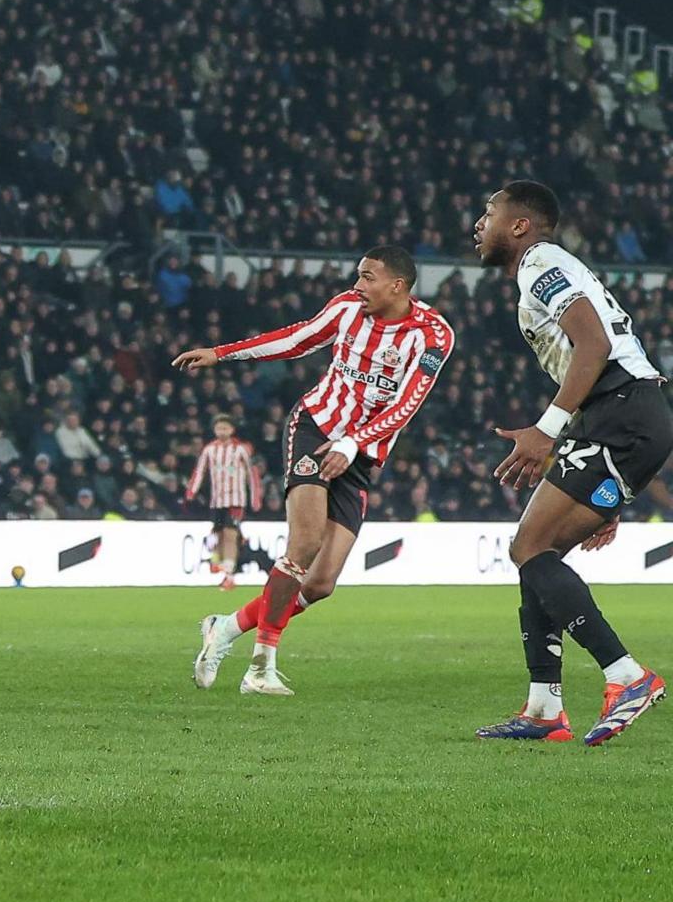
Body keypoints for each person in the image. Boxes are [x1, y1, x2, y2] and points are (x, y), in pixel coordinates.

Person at [175, 247, 454, 695]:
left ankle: (224, 628)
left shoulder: (432, 335)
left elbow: (407, 403)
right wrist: (222, 354)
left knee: (321, 583)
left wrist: (354, 442)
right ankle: (261, 667)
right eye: (358, 276)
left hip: (359, 451)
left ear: (397, 286)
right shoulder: (345, 308)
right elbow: (295, 339)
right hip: (315, 427)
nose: (357, 285)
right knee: (303, 543)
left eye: (367, 278)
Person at [471, 182, 670, 746]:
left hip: (623, 411)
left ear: (519, 225)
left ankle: (626, 676)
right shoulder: (542, 269)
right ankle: (543, 709)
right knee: (537, 551)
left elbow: (594, 345)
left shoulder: (542, 261)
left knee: (529, 549)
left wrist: (546, 431)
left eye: (489, 213)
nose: (479, 223)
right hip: (623, 419)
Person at [185, 416, 264, 590]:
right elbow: (199, 471)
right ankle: (224, 571)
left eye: (225, 428)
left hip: (235, 499)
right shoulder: (209, 450)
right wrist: (191, 492)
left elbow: (252, 474)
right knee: (219, 535)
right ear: (214, 430)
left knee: (230, 534)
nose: (222, 432)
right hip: (217, 500)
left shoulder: (240, 450)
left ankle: (229, 575)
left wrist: (255, 498)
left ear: (232, 430)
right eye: (219, 428)